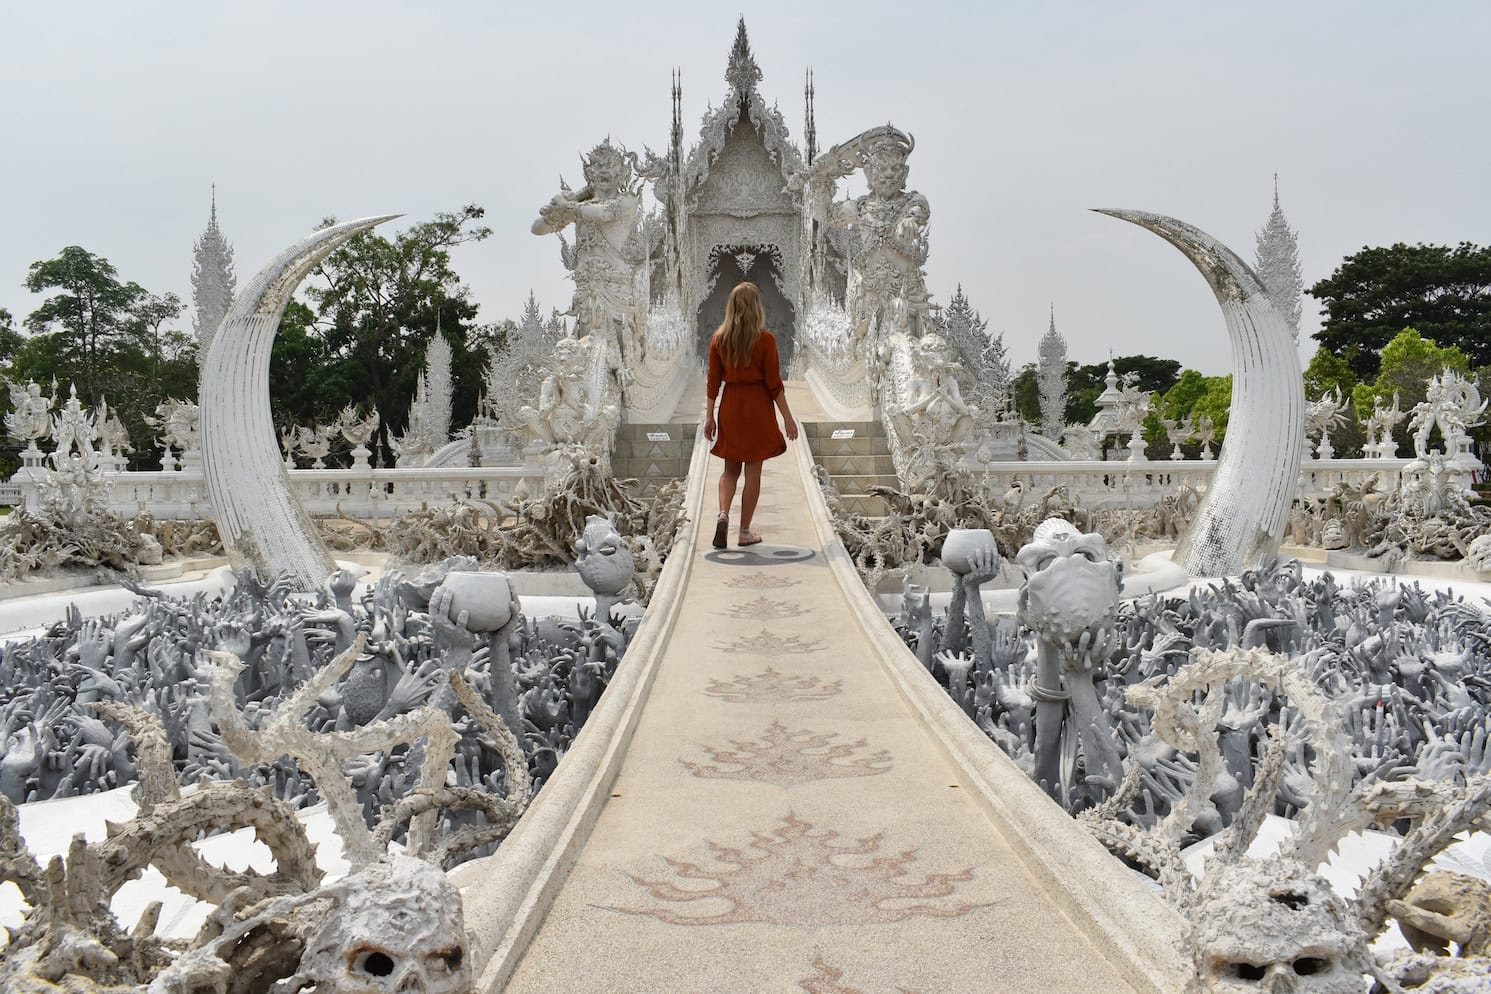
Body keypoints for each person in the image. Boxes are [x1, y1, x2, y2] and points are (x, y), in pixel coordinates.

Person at [703, 282, 799, 549]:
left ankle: (723, 513)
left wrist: (710, 416)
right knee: (753, 472)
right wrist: (788, 419)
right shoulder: (765, 340)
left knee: (730, 470)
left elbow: (713, 382)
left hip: (731, 405)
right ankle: (744, 531)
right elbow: (774, 385)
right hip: (757, 405)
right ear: (756, 307)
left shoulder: (718, 340)